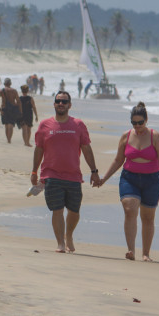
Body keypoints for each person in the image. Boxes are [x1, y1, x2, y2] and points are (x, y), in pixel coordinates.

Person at [97, 102, 159, 262]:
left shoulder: (155, 136)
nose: (138, 126)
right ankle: (130, 250)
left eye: (140, 123)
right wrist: (104, 178)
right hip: (129, 178)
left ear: (146, 120)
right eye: (134, 123)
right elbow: (118, 159)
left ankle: (146, 254)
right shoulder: (126, 136)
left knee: (148, 217)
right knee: (129, 208)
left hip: (152, 180)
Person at [31, 91, 100, 253]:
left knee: (74, 211)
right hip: (51, 174)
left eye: (64, 101)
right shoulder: (45, 125)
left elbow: (86, 149)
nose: (61, 104)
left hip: (73, 175)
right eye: (58, 101)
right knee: (57, 209)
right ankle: (60, 243)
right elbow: (39, 149)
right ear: (54, 104)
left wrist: (94, 171)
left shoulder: (78, 125)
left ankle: (69, 235)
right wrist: (34, 171)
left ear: (69, 105)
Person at [0, 78, 21, 144]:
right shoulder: (14, 91)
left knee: (6, 125)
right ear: (10, 83)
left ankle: (8, 139)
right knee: (11, 124)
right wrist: (20, 110)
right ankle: (9, 139)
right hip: (13, 109)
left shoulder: (2, 90)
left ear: (4, 84)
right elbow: (18, 101)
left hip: (4, 108)